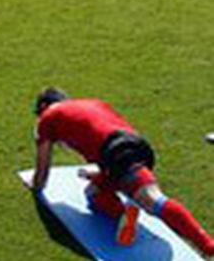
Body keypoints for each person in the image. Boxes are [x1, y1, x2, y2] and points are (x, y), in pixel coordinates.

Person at [31, 88, 214, 256]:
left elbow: (42, 173)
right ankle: (125, 215)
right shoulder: (92, 103)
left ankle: (208, 246)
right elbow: (104, 132)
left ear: (43, 107)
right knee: (93, 193)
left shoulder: (48, 117)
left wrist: (35, 186)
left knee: (153, 199)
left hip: (120, 153)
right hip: (129, 149)